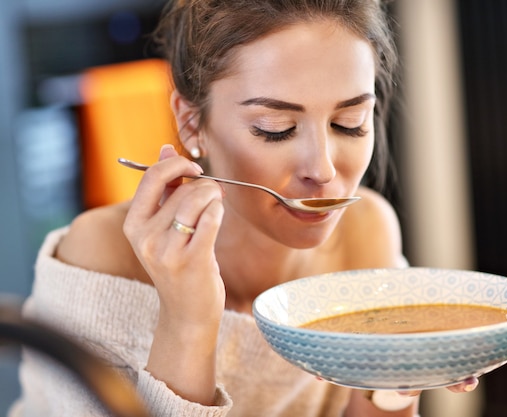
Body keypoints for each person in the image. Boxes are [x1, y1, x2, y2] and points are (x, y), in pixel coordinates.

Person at [10, 1, 478, 416]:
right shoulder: (100, 257)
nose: (323, 169)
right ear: (192, 123)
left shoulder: (367, 231)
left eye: (349, 123)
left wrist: (401, 377)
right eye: (275, 129)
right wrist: (188, 319)